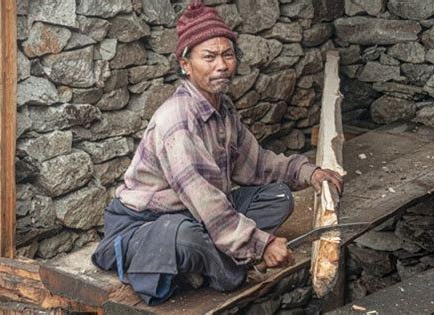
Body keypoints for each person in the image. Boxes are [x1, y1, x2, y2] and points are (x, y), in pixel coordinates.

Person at [92, 0, 343, 305]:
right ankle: (226, 269)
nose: (222, 65)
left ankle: (205, 261)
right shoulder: (176, 119)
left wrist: (308, 172)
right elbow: (205, 200)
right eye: (209, 57)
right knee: (184, 237)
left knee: (277, 197)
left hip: (197, 214)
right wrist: (261, 246)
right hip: (148, 223)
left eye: (228, 55)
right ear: (185, 64)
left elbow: (258, 164)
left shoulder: (222, 109)